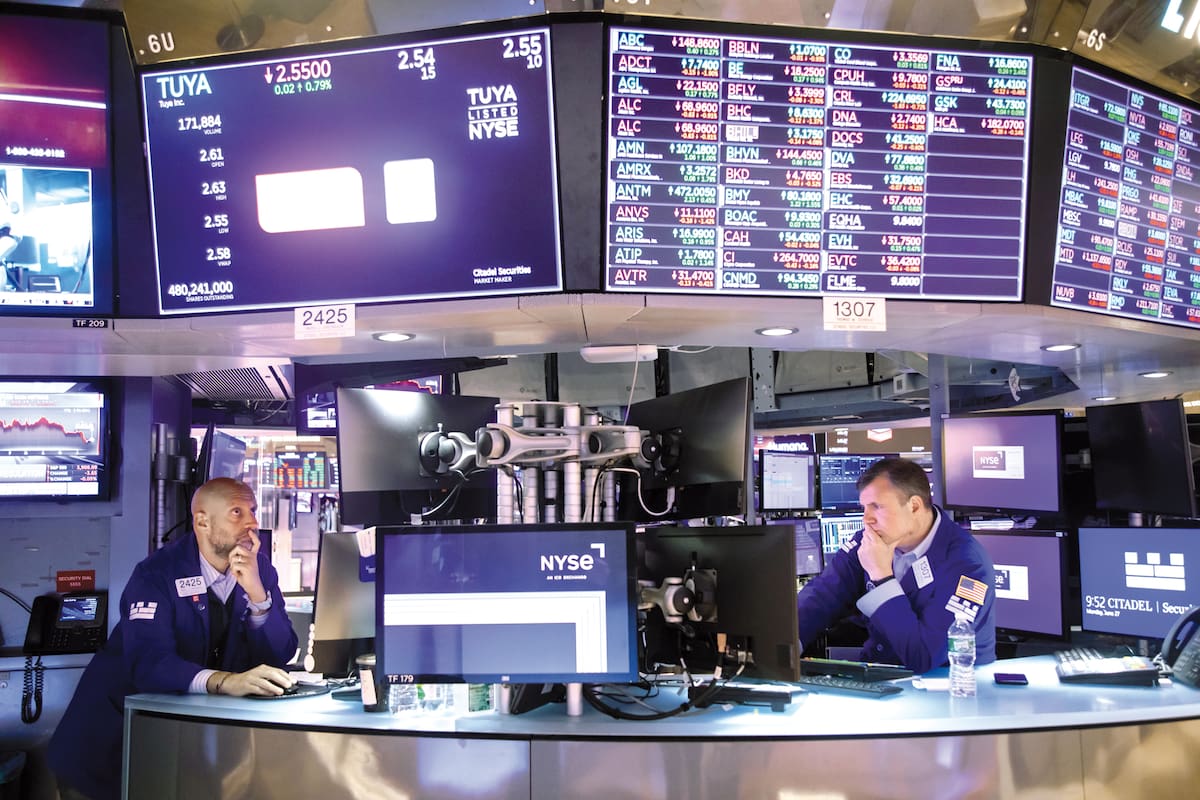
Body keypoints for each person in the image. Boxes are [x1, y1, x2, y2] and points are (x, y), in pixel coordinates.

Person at [48, 477, 299, 800]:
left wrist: (257, 595)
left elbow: (282, 651)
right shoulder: (157, 574)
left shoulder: (259, 569)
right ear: (202, 522)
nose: (252, 522)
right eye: (237, 512)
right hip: (107, 748)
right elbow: (150, 664)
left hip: (177, 749)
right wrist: (226, 681)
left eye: (252, 510)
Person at [798, 457, 995, 672]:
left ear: (914, 506)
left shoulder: (967, 564)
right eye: (864, 507)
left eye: (877, 507)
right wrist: (784, 642)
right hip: (880, 676)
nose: (867, 519)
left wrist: (881, 576)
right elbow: (823, 594)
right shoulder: (867, 542)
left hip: (946, 688)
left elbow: (924, 655)